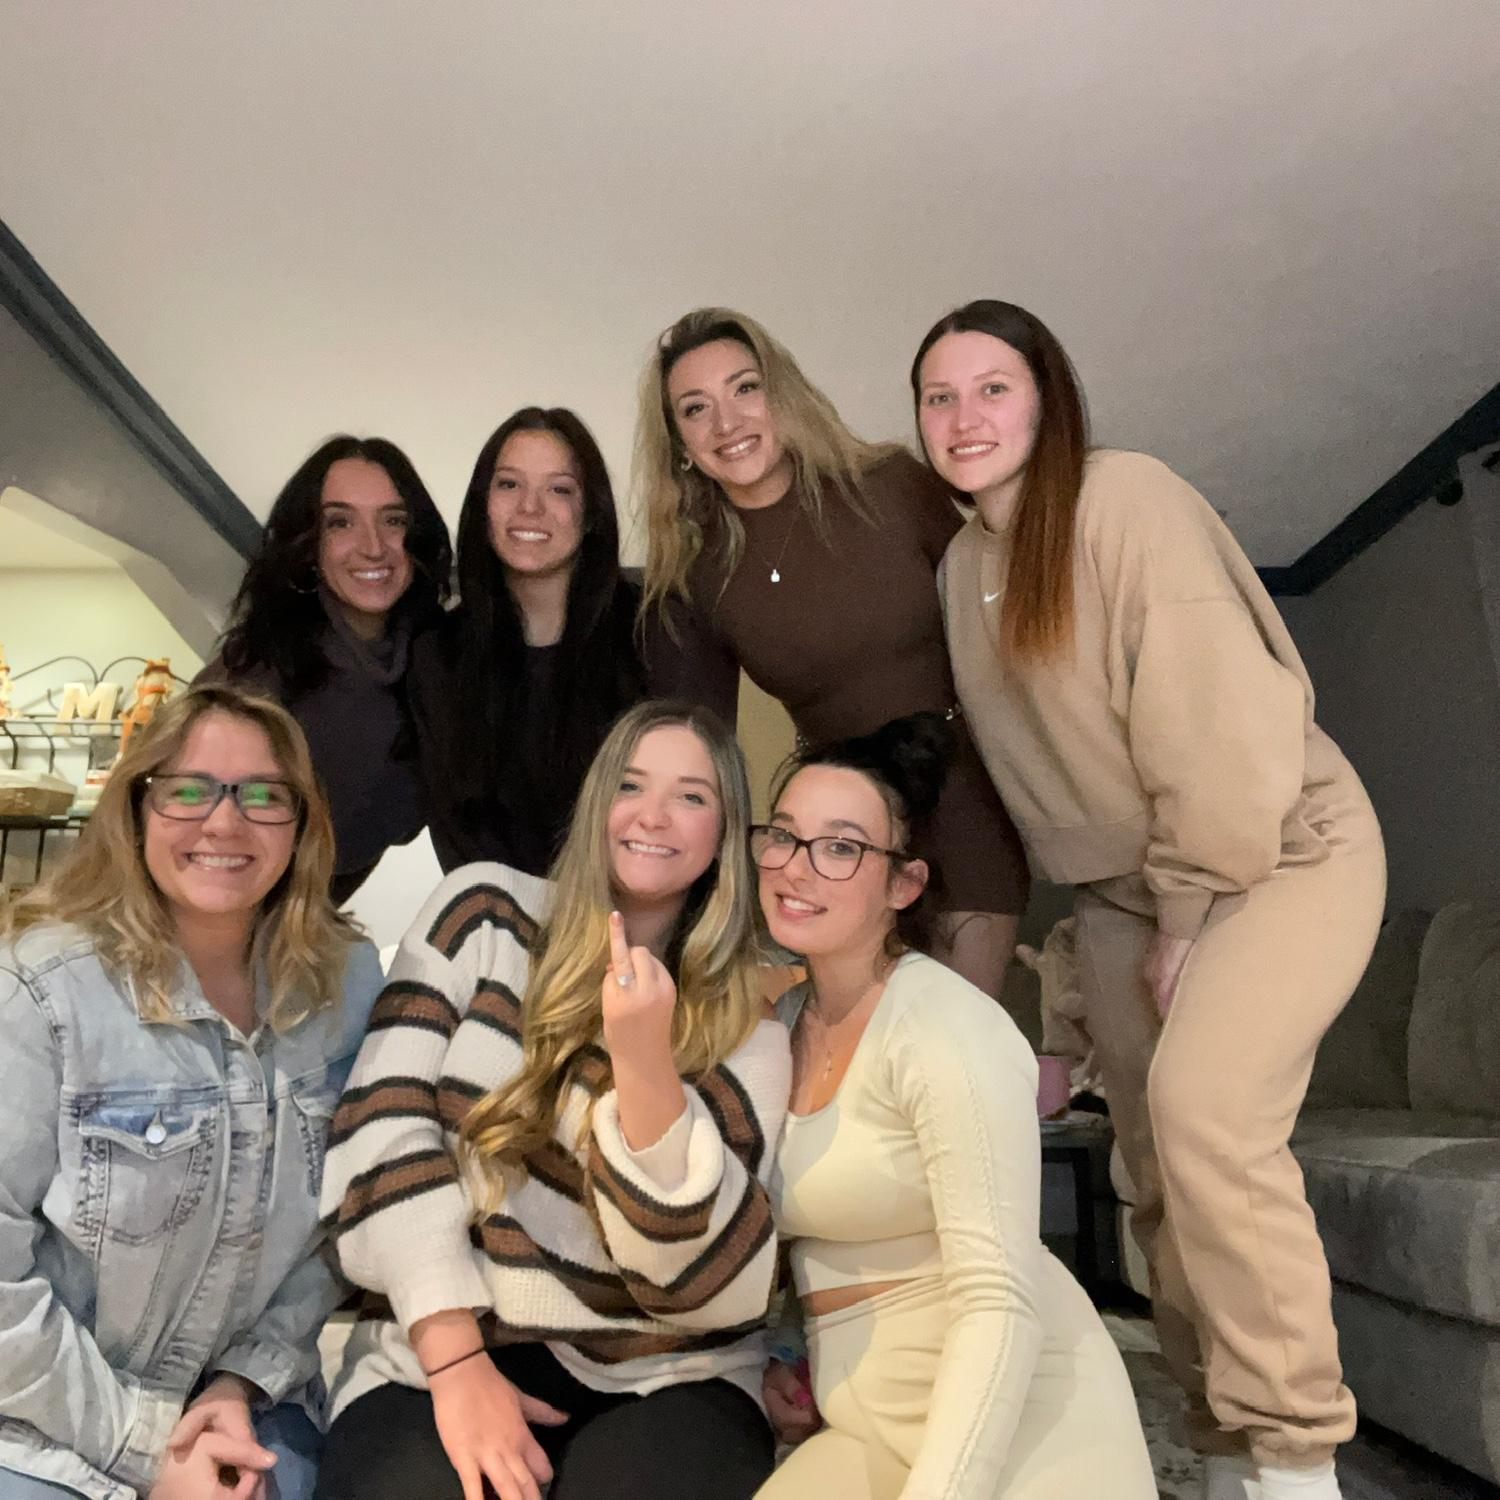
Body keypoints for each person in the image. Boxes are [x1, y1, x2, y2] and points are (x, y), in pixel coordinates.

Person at [913, 299, 1386, 1500]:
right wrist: (1074, 989)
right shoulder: (963, 569)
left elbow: (1210, 730)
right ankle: (1224, 1446)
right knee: (1152, 1170)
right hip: (1129, 891)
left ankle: (1298, 1459)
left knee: (1206, 1114)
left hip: (1274, 850)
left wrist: (1184, 917)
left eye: (993, 388)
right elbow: (1046, 792)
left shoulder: (1125, 500)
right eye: (939, 397)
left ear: (1048, 398)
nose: (964, 417)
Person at [315, 700, 791, 1500]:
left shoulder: (749, 1018)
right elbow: (380, 1130)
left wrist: (642, 1062)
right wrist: (457, 1364)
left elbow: (701, 1283)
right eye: (630, 785)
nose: (653, 815)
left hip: (669, 1371)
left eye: (692, 796)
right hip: (444, 1342)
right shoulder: (484, 913)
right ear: (597, 802)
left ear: (724, 835)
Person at [753, 713, 1154, 1500]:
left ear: (903, 885)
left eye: (841, 848)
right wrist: (791, 1355)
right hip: (867, 1422)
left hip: (1017, 1422)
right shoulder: (780, 1027)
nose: (798, 868)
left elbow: (998, 1302)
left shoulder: (946, 1028)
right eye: (785, 836)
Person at [0, 684, 383, 1500]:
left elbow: (341, 1225)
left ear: (302, 823)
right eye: (187, 790)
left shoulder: (346, 984)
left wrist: (240, 1385)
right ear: (136, 811)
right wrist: (149, 1449)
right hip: (43, 1424)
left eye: (263, 795)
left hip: (252, 1403)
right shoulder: (41, 987)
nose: (224, 822)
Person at [635, 308, 1028, 998]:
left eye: (746, 389)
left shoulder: (891, 484)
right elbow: (700, 755)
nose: (727, 422)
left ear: (782, 394)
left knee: (958, 1034)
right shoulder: (694, 574)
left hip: (967, 806)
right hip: (839, 841)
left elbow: (999, 622)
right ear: (680, 443)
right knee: (858, 1049)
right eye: (696, 408)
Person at [206, 435, 453, 903]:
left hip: (306, 924)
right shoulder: (254, 673)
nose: (373, 547)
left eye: (393, 521)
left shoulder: (436, 669)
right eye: (341, 522)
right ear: (309, 543)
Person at [409, 407, 647, 878]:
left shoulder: (652, 633)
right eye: (509, 484)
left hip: (631, 910)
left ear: (591, 513)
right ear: (482, 505)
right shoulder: (438, 655)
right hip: (494, 912)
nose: (530, 508)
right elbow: (455, 833)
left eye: (559, 489)